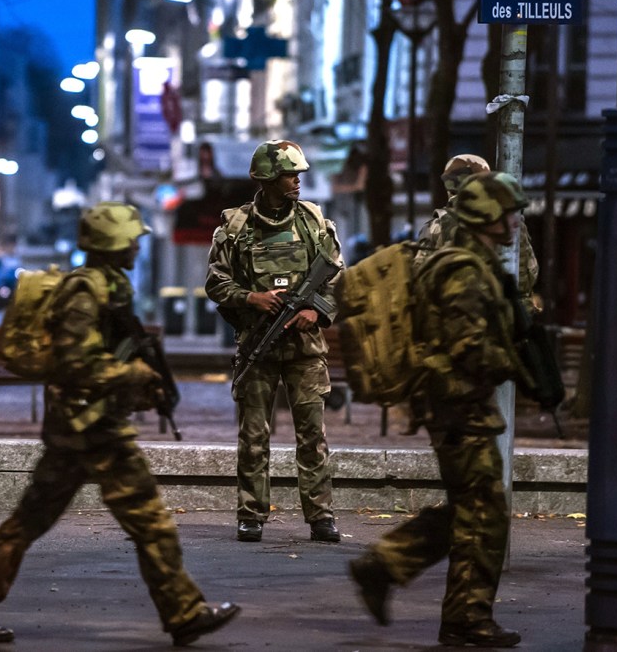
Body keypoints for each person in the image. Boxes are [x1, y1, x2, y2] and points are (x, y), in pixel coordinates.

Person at [0, 202, 240, 646]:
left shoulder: (109, 285)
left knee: (31, 519)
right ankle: (183, 612)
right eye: (132, 238)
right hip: (94, 429)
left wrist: (138, 379)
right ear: (113, 242)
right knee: (151, 521)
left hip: (79, 428)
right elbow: (76, 362)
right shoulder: (85, 291)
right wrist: (132, 374)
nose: (139, 245)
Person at [348, 172, 530, 648]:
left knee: (475, 508)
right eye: (507, 214)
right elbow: (468, 347)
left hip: (459, 405)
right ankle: (459, 614)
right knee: (483, 510)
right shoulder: (464, 270)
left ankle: (400, 575)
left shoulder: (471, 262)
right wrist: (518, 364)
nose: (514, 223)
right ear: (485, 216)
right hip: (458, 407)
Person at [205, 139, 343, 544]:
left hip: (305, 351)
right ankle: (251, 514)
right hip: (258, 345)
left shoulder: (313, 222)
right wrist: (252, 298)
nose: (297, 181)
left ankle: (320, 516)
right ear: (265, 178)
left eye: (299, 174)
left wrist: (315, 311)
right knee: (253, 435)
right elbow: (216, 282)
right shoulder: (235, 227)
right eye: (288, 174)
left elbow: (335, 279)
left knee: (313, 436)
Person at [416, 154, 539, 314]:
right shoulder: (507, 221)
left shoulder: (437, 226)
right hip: (514, 313)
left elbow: (420, 280)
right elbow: (531, 273)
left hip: (461, 313)